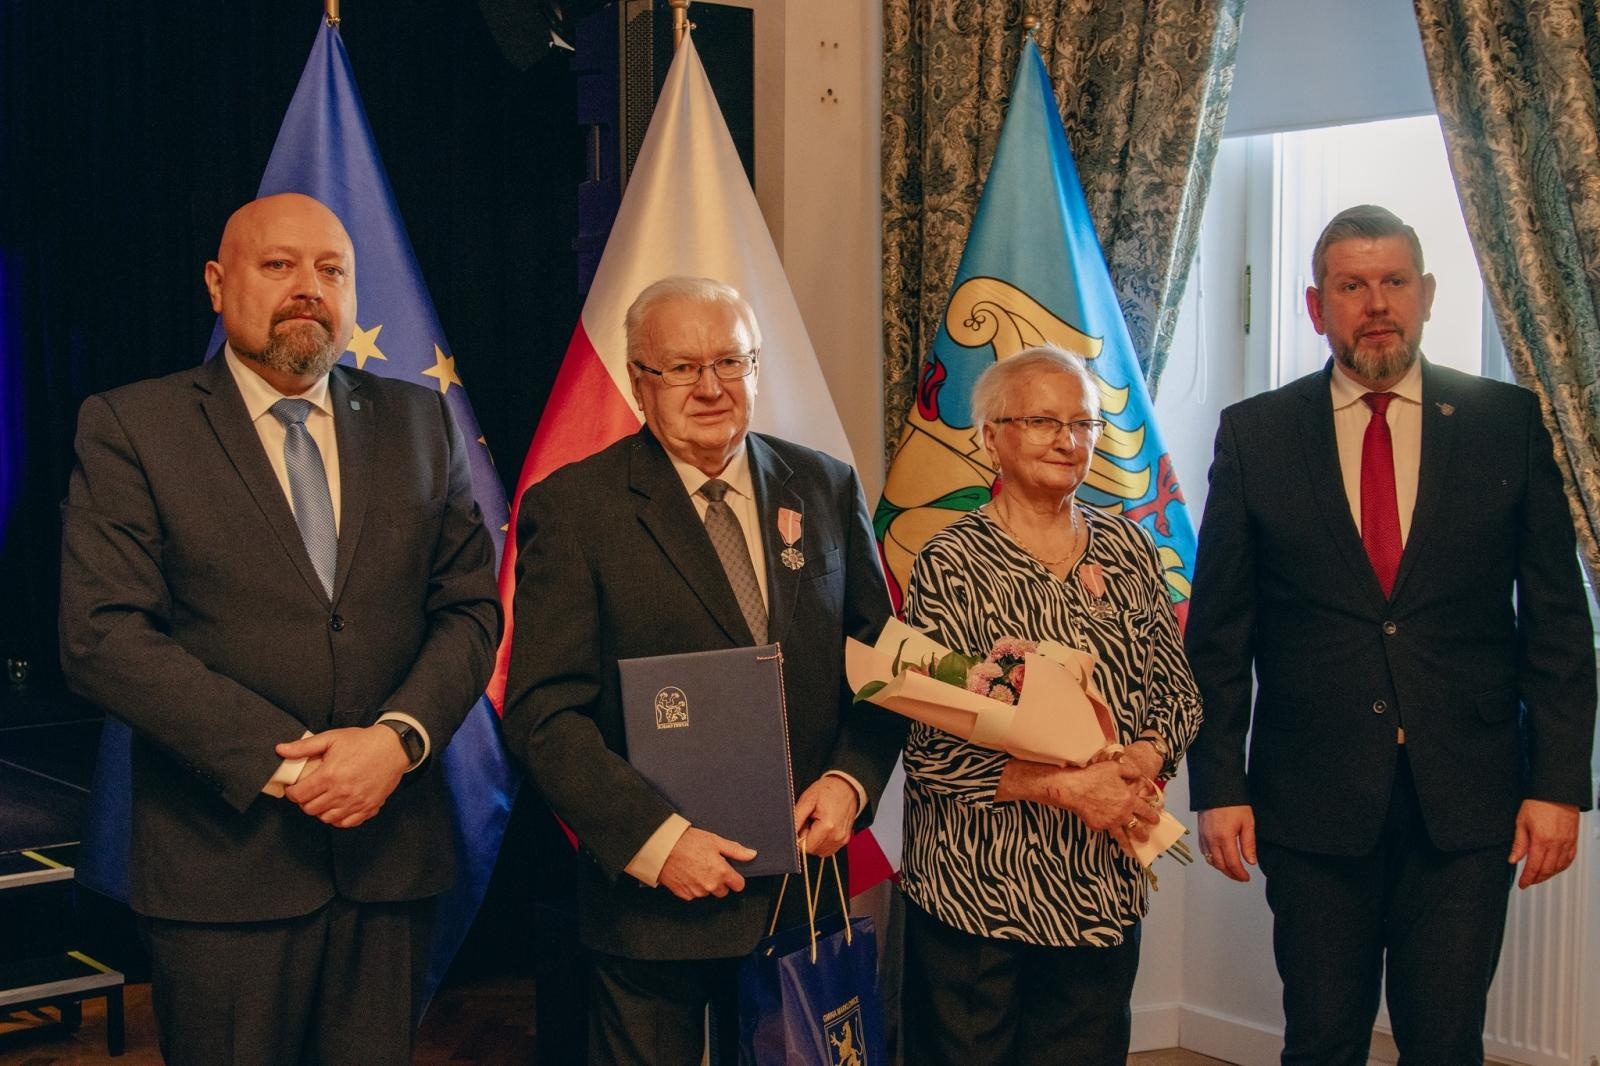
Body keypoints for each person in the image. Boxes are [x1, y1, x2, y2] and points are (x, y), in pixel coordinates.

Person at [58, 193, 501, 1066]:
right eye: (279, 266)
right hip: (222, 871)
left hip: (388, 863)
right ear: (218, 285)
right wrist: (287, 763)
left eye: (331, 270)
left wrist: (395, 742)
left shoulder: (419, 422)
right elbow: (103, 636)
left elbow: (469, 610)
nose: (309, 288)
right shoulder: (131, 428)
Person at [1185, 204, 1596, 1065]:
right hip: (1311, 796)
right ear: (1315, 305)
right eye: (1351, 286)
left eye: (1394, 283)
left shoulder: (1505, 423)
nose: (1376, 304)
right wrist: (1218, 784)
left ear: (1428, 294)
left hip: (1469, 797)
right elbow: (1221, 633)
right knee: (1323, 1037)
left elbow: (1557, 623)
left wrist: (1560, 784)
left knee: (1445, 1040)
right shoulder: (1256, 435)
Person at [501, 275, 906, 1066]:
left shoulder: (824, 484)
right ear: (639, 382)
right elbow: (545, 715)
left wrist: (852, 782)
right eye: (682, 368)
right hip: (657, 907)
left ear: (757, 370)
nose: (711, 387)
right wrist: (657, 841)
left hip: (803, 891)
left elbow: (880, 666)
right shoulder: (577, 507)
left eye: (731, 361)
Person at [898, 345, 1202, 1065]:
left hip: (1100, 890)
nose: (1069, 440)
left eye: (1084, 423)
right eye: (1042, 421)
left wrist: (1146, 755)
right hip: (978, 889)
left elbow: (1179, 691)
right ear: (991, 436)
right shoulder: (950, 561)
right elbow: (930, 748)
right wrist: (1071, 789)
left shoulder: (1128, 546)